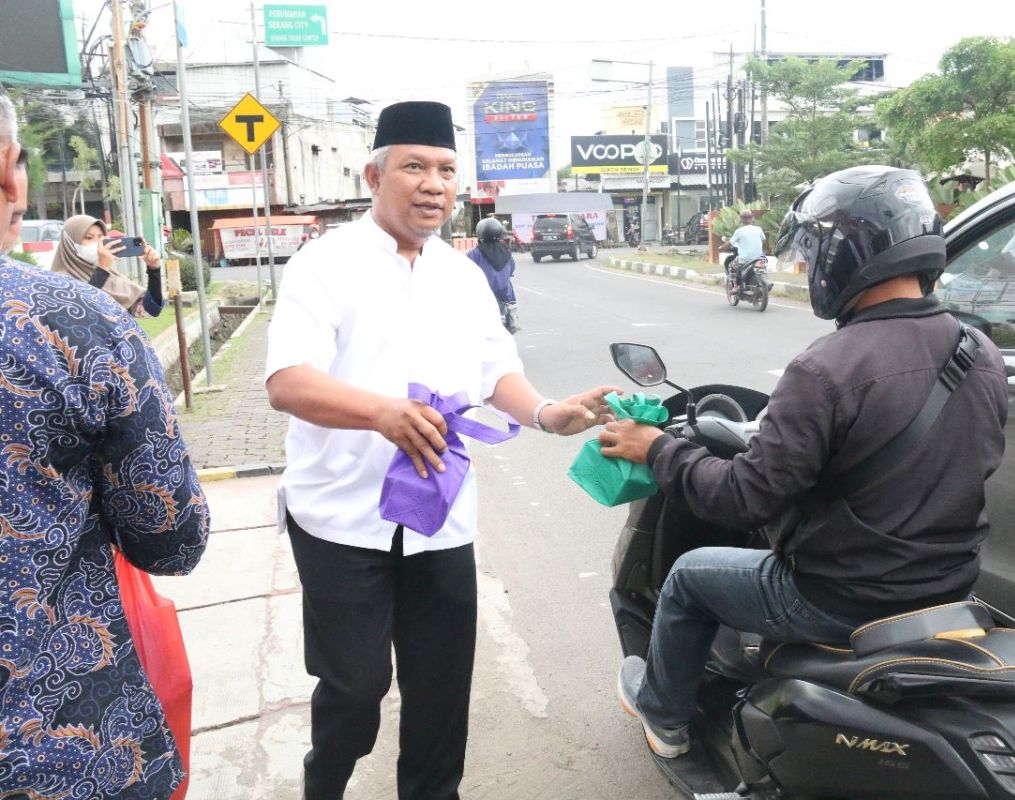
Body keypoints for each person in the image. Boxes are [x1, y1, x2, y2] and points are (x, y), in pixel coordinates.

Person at [264, 100, 618, 800]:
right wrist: (382, 414)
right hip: (340, 517)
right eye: (414, 167)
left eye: (446, 170)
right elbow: (287, 382)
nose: (433, 183)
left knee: (440, 695)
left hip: (439, 516)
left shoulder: (462, 275)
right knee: (356, 690)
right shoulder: (323, 263)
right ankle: (323, 783)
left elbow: (497, 374)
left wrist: (549, 413)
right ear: (374, 174)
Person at [600, 166, 1008, 758]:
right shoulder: (980, 351)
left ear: (847, 254)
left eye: (815, 251)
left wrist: (658, 447)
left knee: (689, 575)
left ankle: (664, 717)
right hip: (947, 584)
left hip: (843, 597)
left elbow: (742, 498)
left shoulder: (827, 368)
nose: (810, 267)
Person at [0, 89, 210, 799]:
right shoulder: (68, 321)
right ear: (9, 173)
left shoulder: (90, 305)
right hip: (59, 748)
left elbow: (151, 304)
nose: (96, 244)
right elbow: (172, 539)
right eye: (89, 236)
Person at [50, 214, 166, 317]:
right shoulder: (58, 282)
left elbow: (150, 311)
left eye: (101, 237)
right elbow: (81, 312)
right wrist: (102, 269)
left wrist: (154, 269)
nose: (98, 243)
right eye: (89, 238)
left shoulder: (111, 278)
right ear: (69, 243)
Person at [466, 216, 517, 331]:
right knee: (510, 290)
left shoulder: (475, 253)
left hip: (483, 293)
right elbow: (512, 269)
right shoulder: (506, 251)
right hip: (504, 294)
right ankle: (512, 318)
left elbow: (466, 271)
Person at [724, 208, 766, 288]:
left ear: (741, 219)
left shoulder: (739, 231)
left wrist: (722, 248)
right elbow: (764, 241)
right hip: (759, 257)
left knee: (731, 266)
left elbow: (729, 243)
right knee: (763, 268)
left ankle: (735, 287)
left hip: (744, 259)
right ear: (752, 218)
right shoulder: (758, 229)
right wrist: (763, 251)